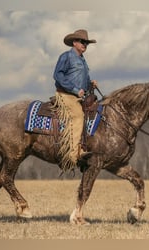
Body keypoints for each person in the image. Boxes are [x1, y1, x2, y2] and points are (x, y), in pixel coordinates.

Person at [53, 29, 98, 170]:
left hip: (78, 96)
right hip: (66, 95)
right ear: (75, 42)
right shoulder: (66, 56)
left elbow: (82, 81)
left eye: (87, 43)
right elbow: (57, 76)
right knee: (78, 116)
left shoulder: (83, 60)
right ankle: (74, 154)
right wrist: (74, 89)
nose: (85, 44)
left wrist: (90, 84)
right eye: (82, 42)